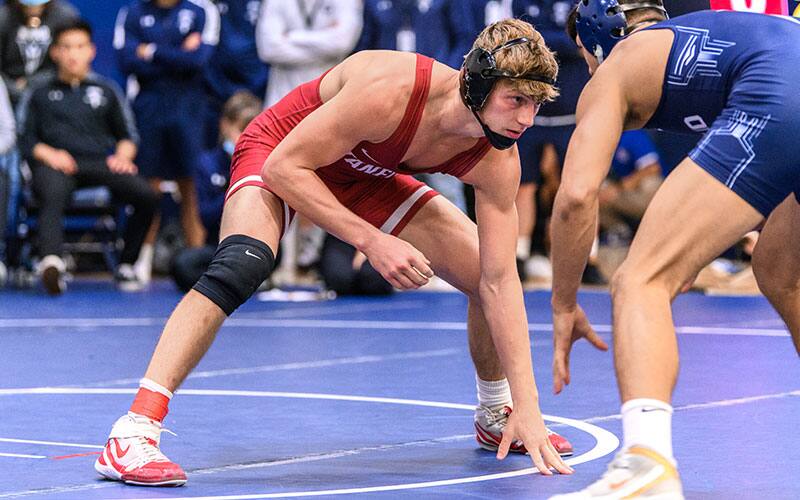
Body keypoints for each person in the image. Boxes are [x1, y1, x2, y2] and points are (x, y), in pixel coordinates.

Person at [94, 18, 576, 486]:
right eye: (516, 101)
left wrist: (528, 410)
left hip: (363, 173)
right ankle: (133, 430)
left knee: (482, 269)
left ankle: (496, 413)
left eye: (536, 104)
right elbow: (286, 169)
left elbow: (499, 282)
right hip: (284, 151)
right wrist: (370, 239)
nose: (527, 120)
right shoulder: (390, 89)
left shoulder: (498, 159)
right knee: (241, 265)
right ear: (476, 84)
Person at [548, 2, 800, 498]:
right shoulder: (699, 38)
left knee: (640, 279)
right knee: (780, 271)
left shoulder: (619, 66)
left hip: (778, 93)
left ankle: (647, 464)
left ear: (595, 38)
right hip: (784, 82)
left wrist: (563, 301)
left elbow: (576, 197)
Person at [17, 18, 157, 294]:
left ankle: (127, 263)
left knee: (146, 194)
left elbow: (128, 135)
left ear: (91, 51)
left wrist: (123, 156)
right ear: (54, 52)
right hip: (56, 164)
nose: (73, 54)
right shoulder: (39, 92)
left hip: (99, 162)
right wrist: (49, 154)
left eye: (79, 46)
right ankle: (51, 262)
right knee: (50, 190)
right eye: (66, 47)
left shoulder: (106, 91)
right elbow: (25, 138)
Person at [113, 0, 221, 283]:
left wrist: (150, 51)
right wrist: (176, 54)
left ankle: (200, 262)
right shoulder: (133, 12)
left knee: (192, 184)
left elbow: (197, 61)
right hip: (148, 107)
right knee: (149, 185)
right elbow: (126, 61)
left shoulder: (201, 11)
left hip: (189, 108)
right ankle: (140, 263)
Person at [171, 90, 263, 292]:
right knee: (183, 265)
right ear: (225, 125)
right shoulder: (207, 163)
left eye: (252, 131)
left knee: (271, 255)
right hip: (217, 248)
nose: (245, 138)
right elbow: (206, 218)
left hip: (255, 246)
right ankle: (235, 278)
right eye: (241, 130)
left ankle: (239, 277)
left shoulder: (265, 164)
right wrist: (235, 186)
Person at [0, 0, 78, 106]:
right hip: (6, 92)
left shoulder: (65, 16)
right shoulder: (3, 17)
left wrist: (31, 82)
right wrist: (12, 88)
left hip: (52, 87)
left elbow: (69, 63)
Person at [599, 130, 663, 242]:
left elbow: (653, 168)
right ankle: (619, 231)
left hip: (645, 195)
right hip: (621, 192)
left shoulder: (632, 135)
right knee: (593, 192)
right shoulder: (601, 139)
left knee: (650, 183)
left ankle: (659, 228)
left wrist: (620, 187)